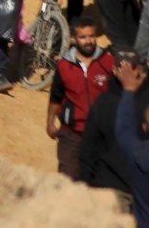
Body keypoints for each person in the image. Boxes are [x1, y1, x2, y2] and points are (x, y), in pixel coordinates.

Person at [81, 48, 149, 191]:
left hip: (110, 187)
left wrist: (84, 183)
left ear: (114, 70)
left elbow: (88, 150)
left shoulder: (103, 103)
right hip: (141, 189)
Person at [50, 17, 117, 174]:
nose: (88, 41)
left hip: (101, 134)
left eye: (92, 36)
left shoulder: (108, 62)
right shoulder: (64, 66)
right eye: (83, 37)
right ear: (74, 38)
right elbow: (56, 96)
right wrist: (50, 122)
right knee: (67, 178)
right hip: (72, 133)